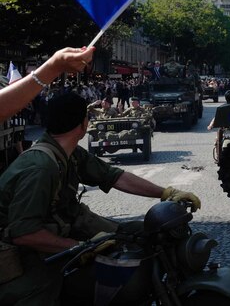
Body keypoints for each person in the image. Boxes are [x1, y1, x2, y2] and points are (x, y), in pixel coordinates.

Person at [0, 93, 201, 304]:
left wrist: (166, 192)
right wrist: (77, 246)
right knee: (45, 291)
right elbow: (24, 234)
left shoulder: (69, 154)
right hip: (20, 256)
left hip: (58, 232)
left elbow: (115, 177)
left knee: (138, 236)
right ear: (83, 124)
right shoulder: (41, 167)